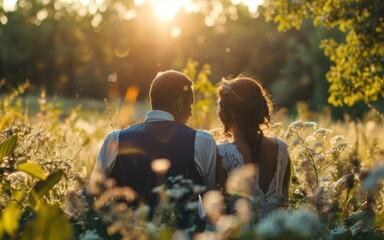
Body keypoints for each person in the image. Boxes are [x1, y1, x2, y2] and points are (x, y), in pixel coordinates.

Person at [89, 70, 217, 223]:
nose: (190, 113)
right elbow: (213, 204)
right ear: (180, 103)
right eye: (190, 105)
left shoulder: (115, 140)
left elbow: (93, 197)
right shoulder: (202, 141)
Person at [215, 75, 291, 220]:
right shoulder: (282, 150)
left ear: (229, 113)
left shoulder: (222, 154)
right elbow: (284, 204)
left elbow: (220, 214)